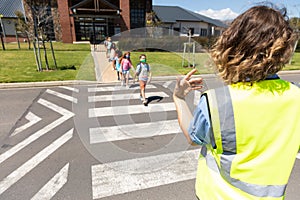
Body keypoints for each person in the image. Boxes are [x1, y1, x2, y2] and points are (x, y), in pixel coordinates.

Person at [173, 5, 300, 200]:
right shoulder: (296, 96)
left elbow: (193, 137)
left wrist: (179, 97)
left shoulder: (217, 102)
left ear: (233, 46)